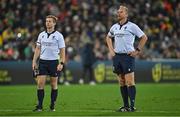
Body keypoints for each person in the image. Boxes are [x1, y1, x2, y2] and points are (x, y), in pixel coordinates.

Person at [106, 5, 148, 112]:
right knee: (121, 81)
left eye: (120, 12)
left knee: (130, 82)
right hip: (117, 57)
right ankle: (125, 106)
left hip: (127, 57)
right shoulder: (114, 27)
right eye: (118, 12)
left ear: (126, 14)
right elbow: (108, 37)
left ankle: (132, 106)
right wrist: (111, 50)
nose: (118, 13)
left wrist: (137, 51)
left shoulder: (132, 26)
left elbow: (144, 37)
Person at [32, 15, 65, 111]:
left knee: (53, 84)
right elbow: (38, 49)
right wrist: (34, 61)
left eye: (50, 21)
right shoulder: (41, 34)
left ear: (54, 23)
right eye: (46, 21)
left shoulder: (59, 36)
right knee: (40, 84)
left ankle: (52, 105)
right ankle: (40, 106)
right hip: (43, 62)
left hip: (54, 62)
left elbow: (62, 51)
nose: (48, 23)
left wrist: (61, 63)